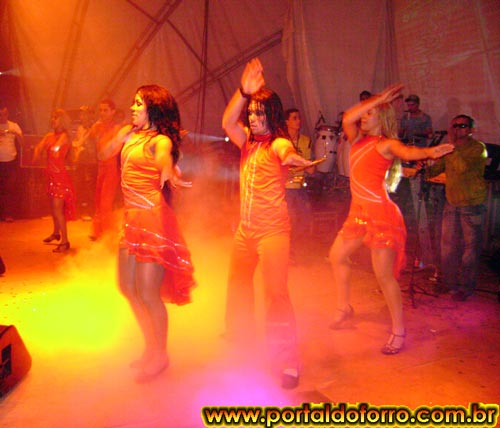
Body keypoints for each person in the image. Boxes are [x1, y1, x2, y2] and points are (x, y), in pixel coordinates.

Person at [328, 84, 454, 354]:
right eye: (365, 112)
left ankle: (399, 330)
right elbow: (348, 117)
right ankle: (344, 307)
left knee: (384, 277)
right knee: (336, 256)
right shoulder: (356, 139)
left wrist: (429, 152)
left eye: (370, 113)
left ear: (382, 118)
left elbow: (407, 152)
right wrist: (376, 100)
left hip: (380, 215)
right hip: (358, 214)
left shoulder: (385, 144)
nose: (364, 116)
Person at [222, 58, 312, 389]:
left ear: (271, 116)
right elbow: (227, 121)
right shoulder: (247, 141)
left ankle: (287, 360)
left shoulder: (276, 143)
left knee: (276, 295)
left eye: (259, 113)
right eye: (251, 113)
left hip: (272, 232)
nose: (252, 118)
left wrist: (292, 158)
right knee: (237, 286)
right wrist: (243, 92)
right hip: (245, 232)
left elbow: (285, 150)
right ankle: (241, 342)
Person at [100, 84, 196, 383]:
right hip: (131, 219)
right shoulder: (129, 134)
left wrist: (168, 170)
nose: (132, 108)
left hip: (153, 219)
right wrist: (118, 138)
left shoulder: (160, 140)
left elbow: (164, 157)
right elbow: (103, 153)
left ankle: (160, 355)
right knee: (126, 287)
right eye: (133, 102)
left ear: (153, 108)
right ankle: (150, 347)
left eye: (138, 103)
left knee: (147, 292)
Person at [425, 114, 488, 301]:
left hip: (472, 204)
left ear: (471, 130)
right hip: (452, 202)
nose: (457, 129)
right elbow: (437, 169)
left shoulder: (478, 148)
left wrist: (451, 147)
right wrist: (424, 167)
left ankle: (466, 288)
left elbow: (462, 168)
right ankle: (450, 284)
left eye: (462, 126)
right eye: (454, 126)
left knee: (470, 249)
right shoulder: (450, 150)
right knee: (448, 246)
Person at [33, 109, 77, 252]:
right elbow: (38, 148)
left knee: (58, 210)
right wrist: (38, 151)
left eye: (56, 118)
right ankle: (56, 233)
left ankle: (65, 241)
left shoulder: (64, 136)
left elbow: (55, 150)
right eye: (52, 117)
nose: (53, 120)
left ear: (62, 120)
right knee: (53, 208)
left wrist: (45, 149)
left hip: (60, 178)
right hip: (51, 176)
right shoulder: (49, 136)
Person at [89, 99, 121, 240]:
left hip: (112, 168)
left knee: (105, 203)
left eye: (105, 110)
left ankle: (107, 234)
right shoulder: (98, 126)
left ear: (113, 112)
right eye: (100, 110)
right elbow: (89, 140)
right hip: (101, 167)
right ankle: (99, 231)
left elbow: (115, 149)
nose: (102, 113)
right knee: (98, 200)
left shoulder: (117, 128)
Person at [284, 108, 313, 263]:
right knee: (288, 220)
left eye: (299, 117)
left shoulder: (305, 141)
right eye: (294, 118)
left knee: (304, 220)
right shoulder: (280, 141)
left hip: (299, 187)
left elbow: (311, 168)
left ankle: (291, 247)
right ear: (287, 121)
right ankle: (287, 252)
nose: (298, 121)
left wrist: (309, 165)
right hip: (285, 188)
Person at [71, 105, 96, 220]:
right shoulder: (80, 128)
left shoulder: (94, 127)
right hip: (81, 160)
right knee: (79, 185)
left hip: (91, 160)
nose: (81, 116)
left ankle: (90, 211)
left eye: (84, 114)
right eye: (81, 114)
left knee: (89, 186)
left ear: (90, 115)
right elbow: (77, 142)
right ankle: (79, 211)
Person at [0, 106, 24, 222]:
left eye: (4, 114)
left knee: (9, 189)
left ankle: (8, 214)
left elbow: (23, 143)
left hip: (11, 162)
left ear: (7, 114)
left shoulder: (14, 126)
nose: (2, 117)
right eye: (0, 115)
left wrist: (15, 133)